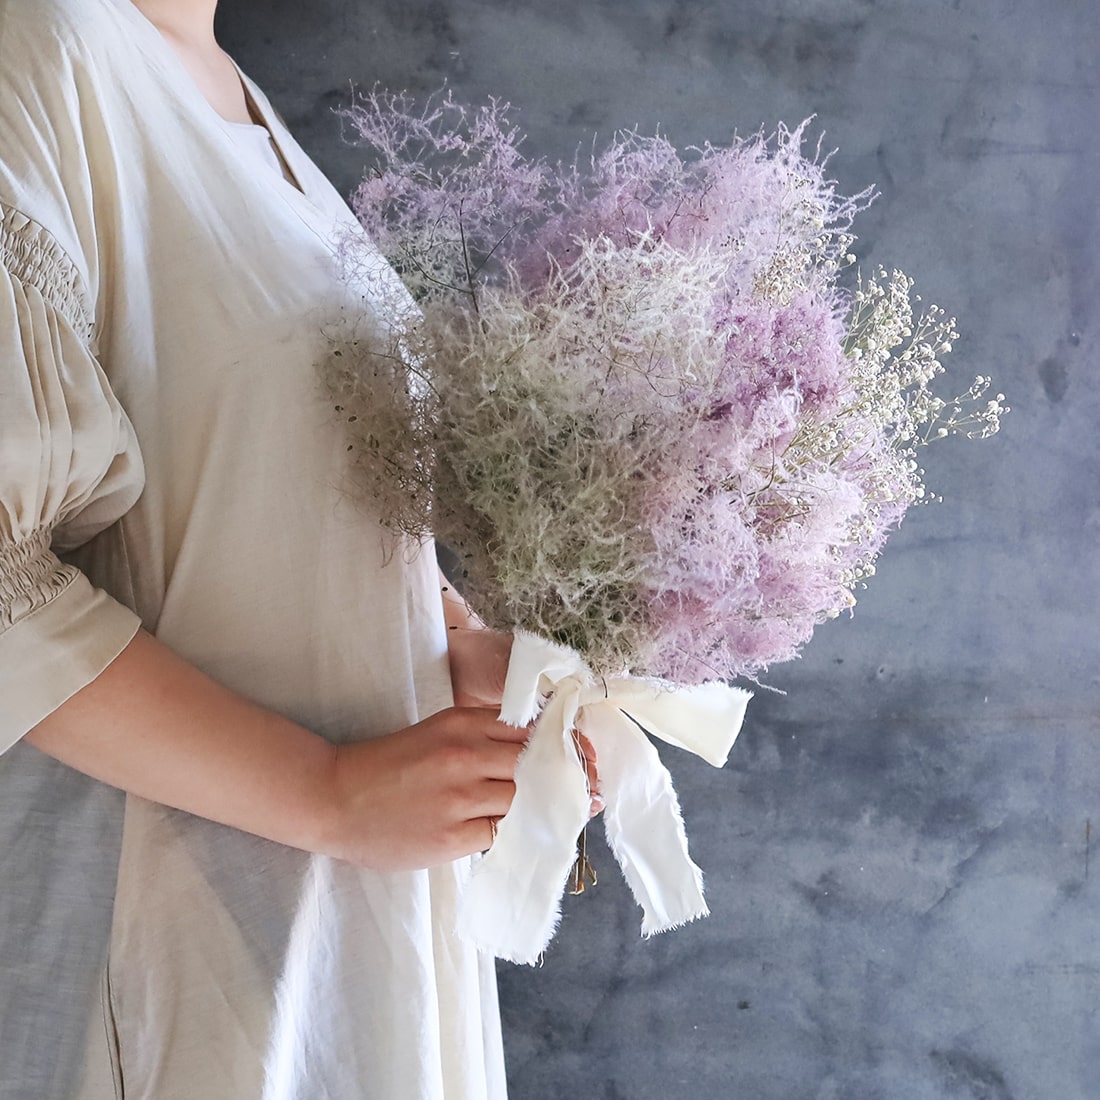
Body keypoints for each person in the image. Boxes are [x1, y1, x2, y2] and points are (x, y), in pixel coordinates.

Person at [0, 0, 599, 1095]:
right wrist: (324, 788)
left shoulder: (226, 88)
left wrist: (447, 644)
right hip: (168, 937)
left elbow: (262, 483)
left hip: (343, 932)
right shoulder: (41, 43)